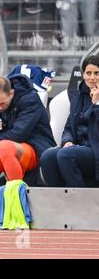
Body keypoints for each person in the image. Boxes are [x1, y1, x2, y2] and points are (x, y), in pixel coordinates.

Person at [0, 75, 56, 186]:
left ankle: (15, 193)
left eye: (2, 103)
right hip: (2, 150)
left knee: (5, 146)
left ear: (11, 93)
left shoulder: (30, 99)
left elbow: (18, 134)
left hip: (34, 149)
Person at [40, 55, 99, 187]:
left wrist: (96, 104)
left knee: (66, 155)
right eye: (88, 73)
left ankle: (78, 200)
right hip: (79, 148)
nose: (92, 77)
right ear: (83, 75)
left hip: (95, 150)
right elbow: (68, 127)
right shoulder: (78, 97)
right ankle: (61, 201)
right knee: (48, 157)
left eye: (97, 73)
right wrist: (68, 141)